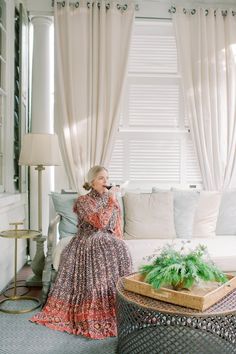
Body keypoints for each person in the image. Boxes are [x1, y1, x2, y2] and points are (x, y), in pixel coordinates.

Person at [30, 165, 132, 339]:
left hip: (105, 238)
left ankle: (119, 303)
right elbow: (99, 223)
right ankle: (92, 308)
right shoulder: (83, 201)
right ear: (91, 182)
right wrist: (111, 200)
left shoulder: (110, 200)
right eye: (101, 178)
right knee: (104, 248)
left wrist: (118, 238)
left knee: (121, 247)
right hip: (87, 239)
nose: (105, 182)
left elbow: (114, 226)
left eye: (107, 178)